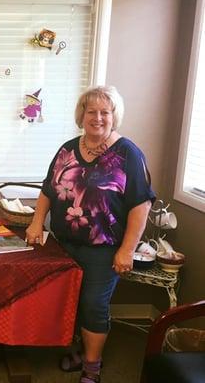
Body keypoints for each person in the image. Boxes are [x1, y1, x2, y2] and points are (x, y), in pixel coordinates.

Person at [26, 86, 155, 383]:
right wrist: (36, 222)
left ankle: (92, 368)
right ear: (81, 115)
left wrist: (126, 250)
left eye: (104, 112)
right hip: (63, 244)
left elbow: (141, 204)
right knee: (69, 301)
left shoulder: (127, 153)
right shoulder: (68, 148)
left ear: (114, 117)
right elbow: (48, 189)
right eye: (91, 111)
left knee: (94, 305)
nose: (97, 118)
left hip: (103, 248)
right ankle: (78, 350)